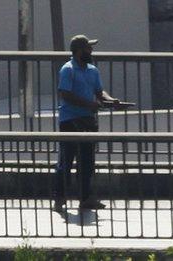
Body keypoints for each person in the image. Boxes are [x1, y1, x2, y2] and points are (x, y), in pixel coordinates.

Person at [54, 35, 120, 212]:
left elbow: (99, 92)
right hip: (70, 120)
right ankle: (60, 197)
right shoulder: (68, 70)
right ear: (78, 51)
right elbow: (65, 94)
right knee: (66, 160)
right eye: (88, 48)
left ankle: (86, 198)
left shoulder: (92, 70)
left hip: (88, 120)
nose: (91, 51)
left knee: (87, 161)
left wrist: (110, 100)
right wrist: (89, 104)